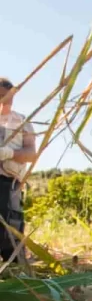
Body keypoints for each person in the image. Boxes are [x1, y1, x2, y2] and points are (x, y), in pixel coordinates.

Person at [0, 77, 36, 262]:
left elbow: (31, 154)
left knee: (10, 230)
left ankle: (14, 271)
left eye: (7, 90)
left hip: (9, 182)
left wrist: (8, 153)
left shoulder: (22, 121)